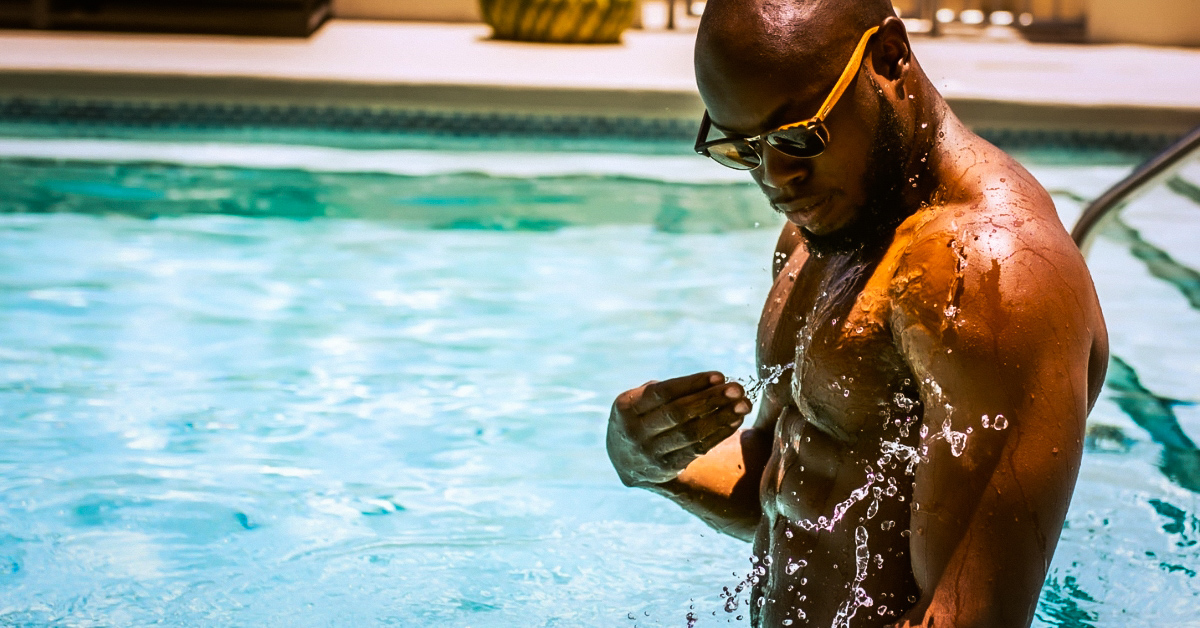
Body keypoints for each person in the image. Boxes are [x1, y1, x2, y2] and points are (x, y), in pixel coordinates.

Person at [604, 1, 1109, 626]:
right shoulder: (824, 225)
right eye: (744, 150)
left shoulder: (991, 274)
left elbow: (969, 615)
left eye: (797, 137)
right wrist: (647, 463)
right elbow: (791, 488)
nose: (776, 178)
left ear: (889, 58)